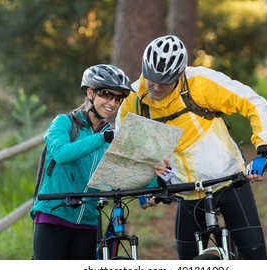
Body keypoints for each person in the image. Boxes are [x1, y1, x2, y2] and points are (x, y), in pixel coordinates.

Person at [115, 35, 267, 260]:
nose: (156, 86)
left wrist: (263, 150)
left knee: (255, 257)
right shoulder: (133, 98)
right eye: (151, 78)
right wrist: (146, 183)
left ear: (180, 74)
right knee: (187, 261)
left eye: (165, 81)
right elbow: (126, 146)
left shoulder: (200, 82)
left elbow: (254, 102)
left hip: (228, 180)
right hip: (185, 190)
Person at [30, 64, 170, 260]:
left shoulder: (110, 136)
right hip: (53, 218)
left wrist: (159, 179)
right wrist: (101, 139)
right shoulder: (63, 123)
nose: (112, 104)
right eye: (106, 94)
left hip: (88, 224)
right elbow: (62, 154)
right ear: (90, 93)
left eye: (118, 98)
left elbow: (125, 174)